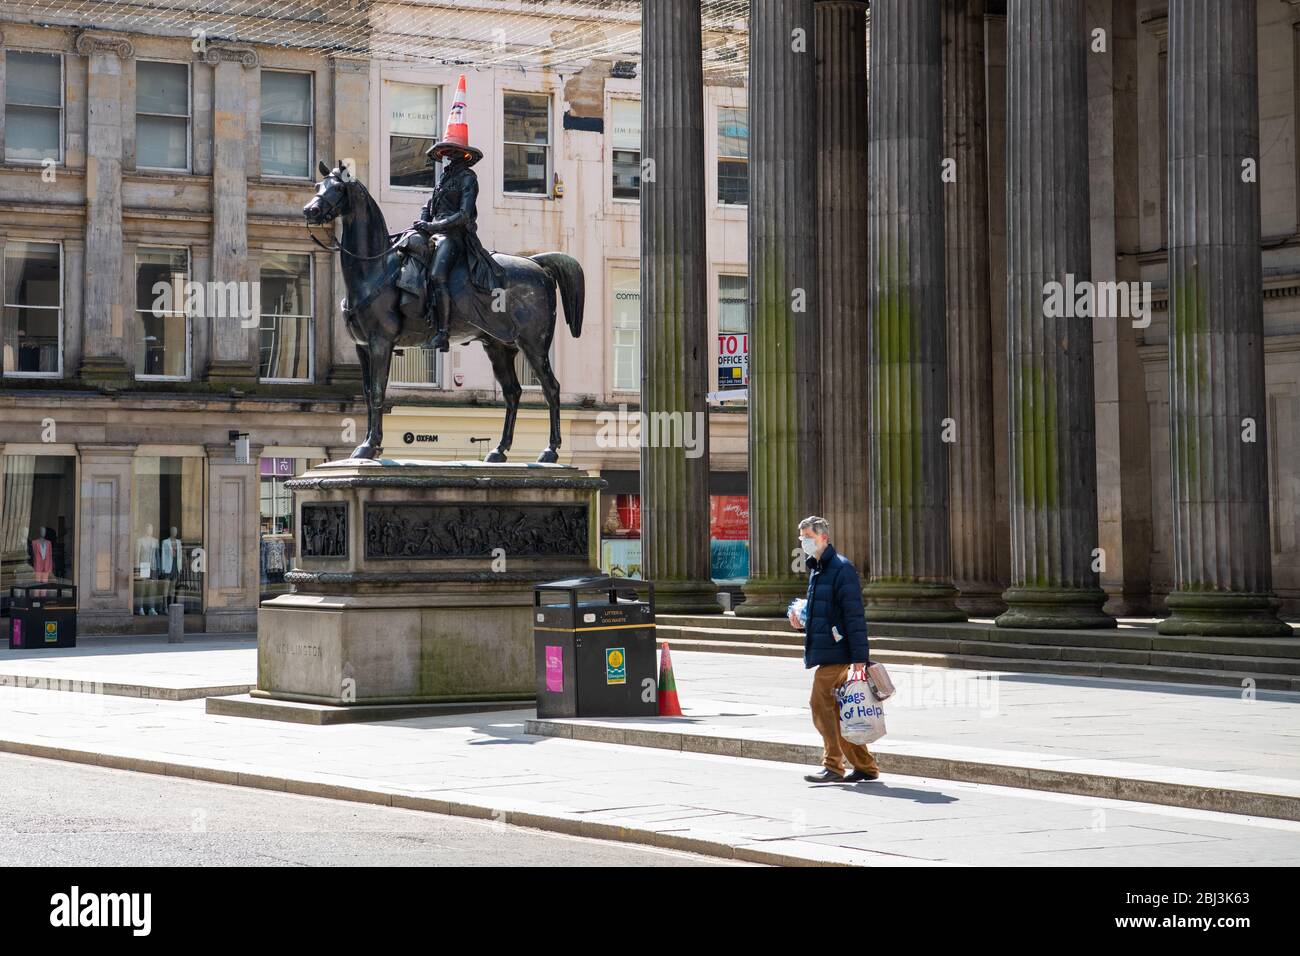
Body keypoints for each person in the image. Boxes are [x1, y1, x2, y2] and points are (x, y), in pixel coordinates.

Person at [409, 74, 504, 352]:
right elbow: (431, 203)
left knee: (438, 274)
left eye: (453, 152)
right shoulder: (443, 178)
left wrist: (435, 226)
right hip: (436, 232)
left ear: (464, 155)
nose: (449, 156)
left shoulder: (467, 179)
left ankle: (442, 331)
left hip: (455, 237)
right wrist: (423, 220)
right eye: (447, 152)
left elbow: (464, 215)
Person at [787, 515, 880, 783]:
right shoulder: (818, 568)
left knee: (821, 704)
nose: (802, 542)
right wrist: (802, 619)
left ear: (823, 538)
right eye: (801, 537)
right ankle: (864, 765)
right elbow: (828, 612)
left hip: (839, 654)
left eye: (807, 537)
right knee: (839, 710)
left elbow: (854, 616)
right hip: (828, 649)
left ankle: (833, 765)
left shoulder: (841, 569)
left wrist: (860, 659)